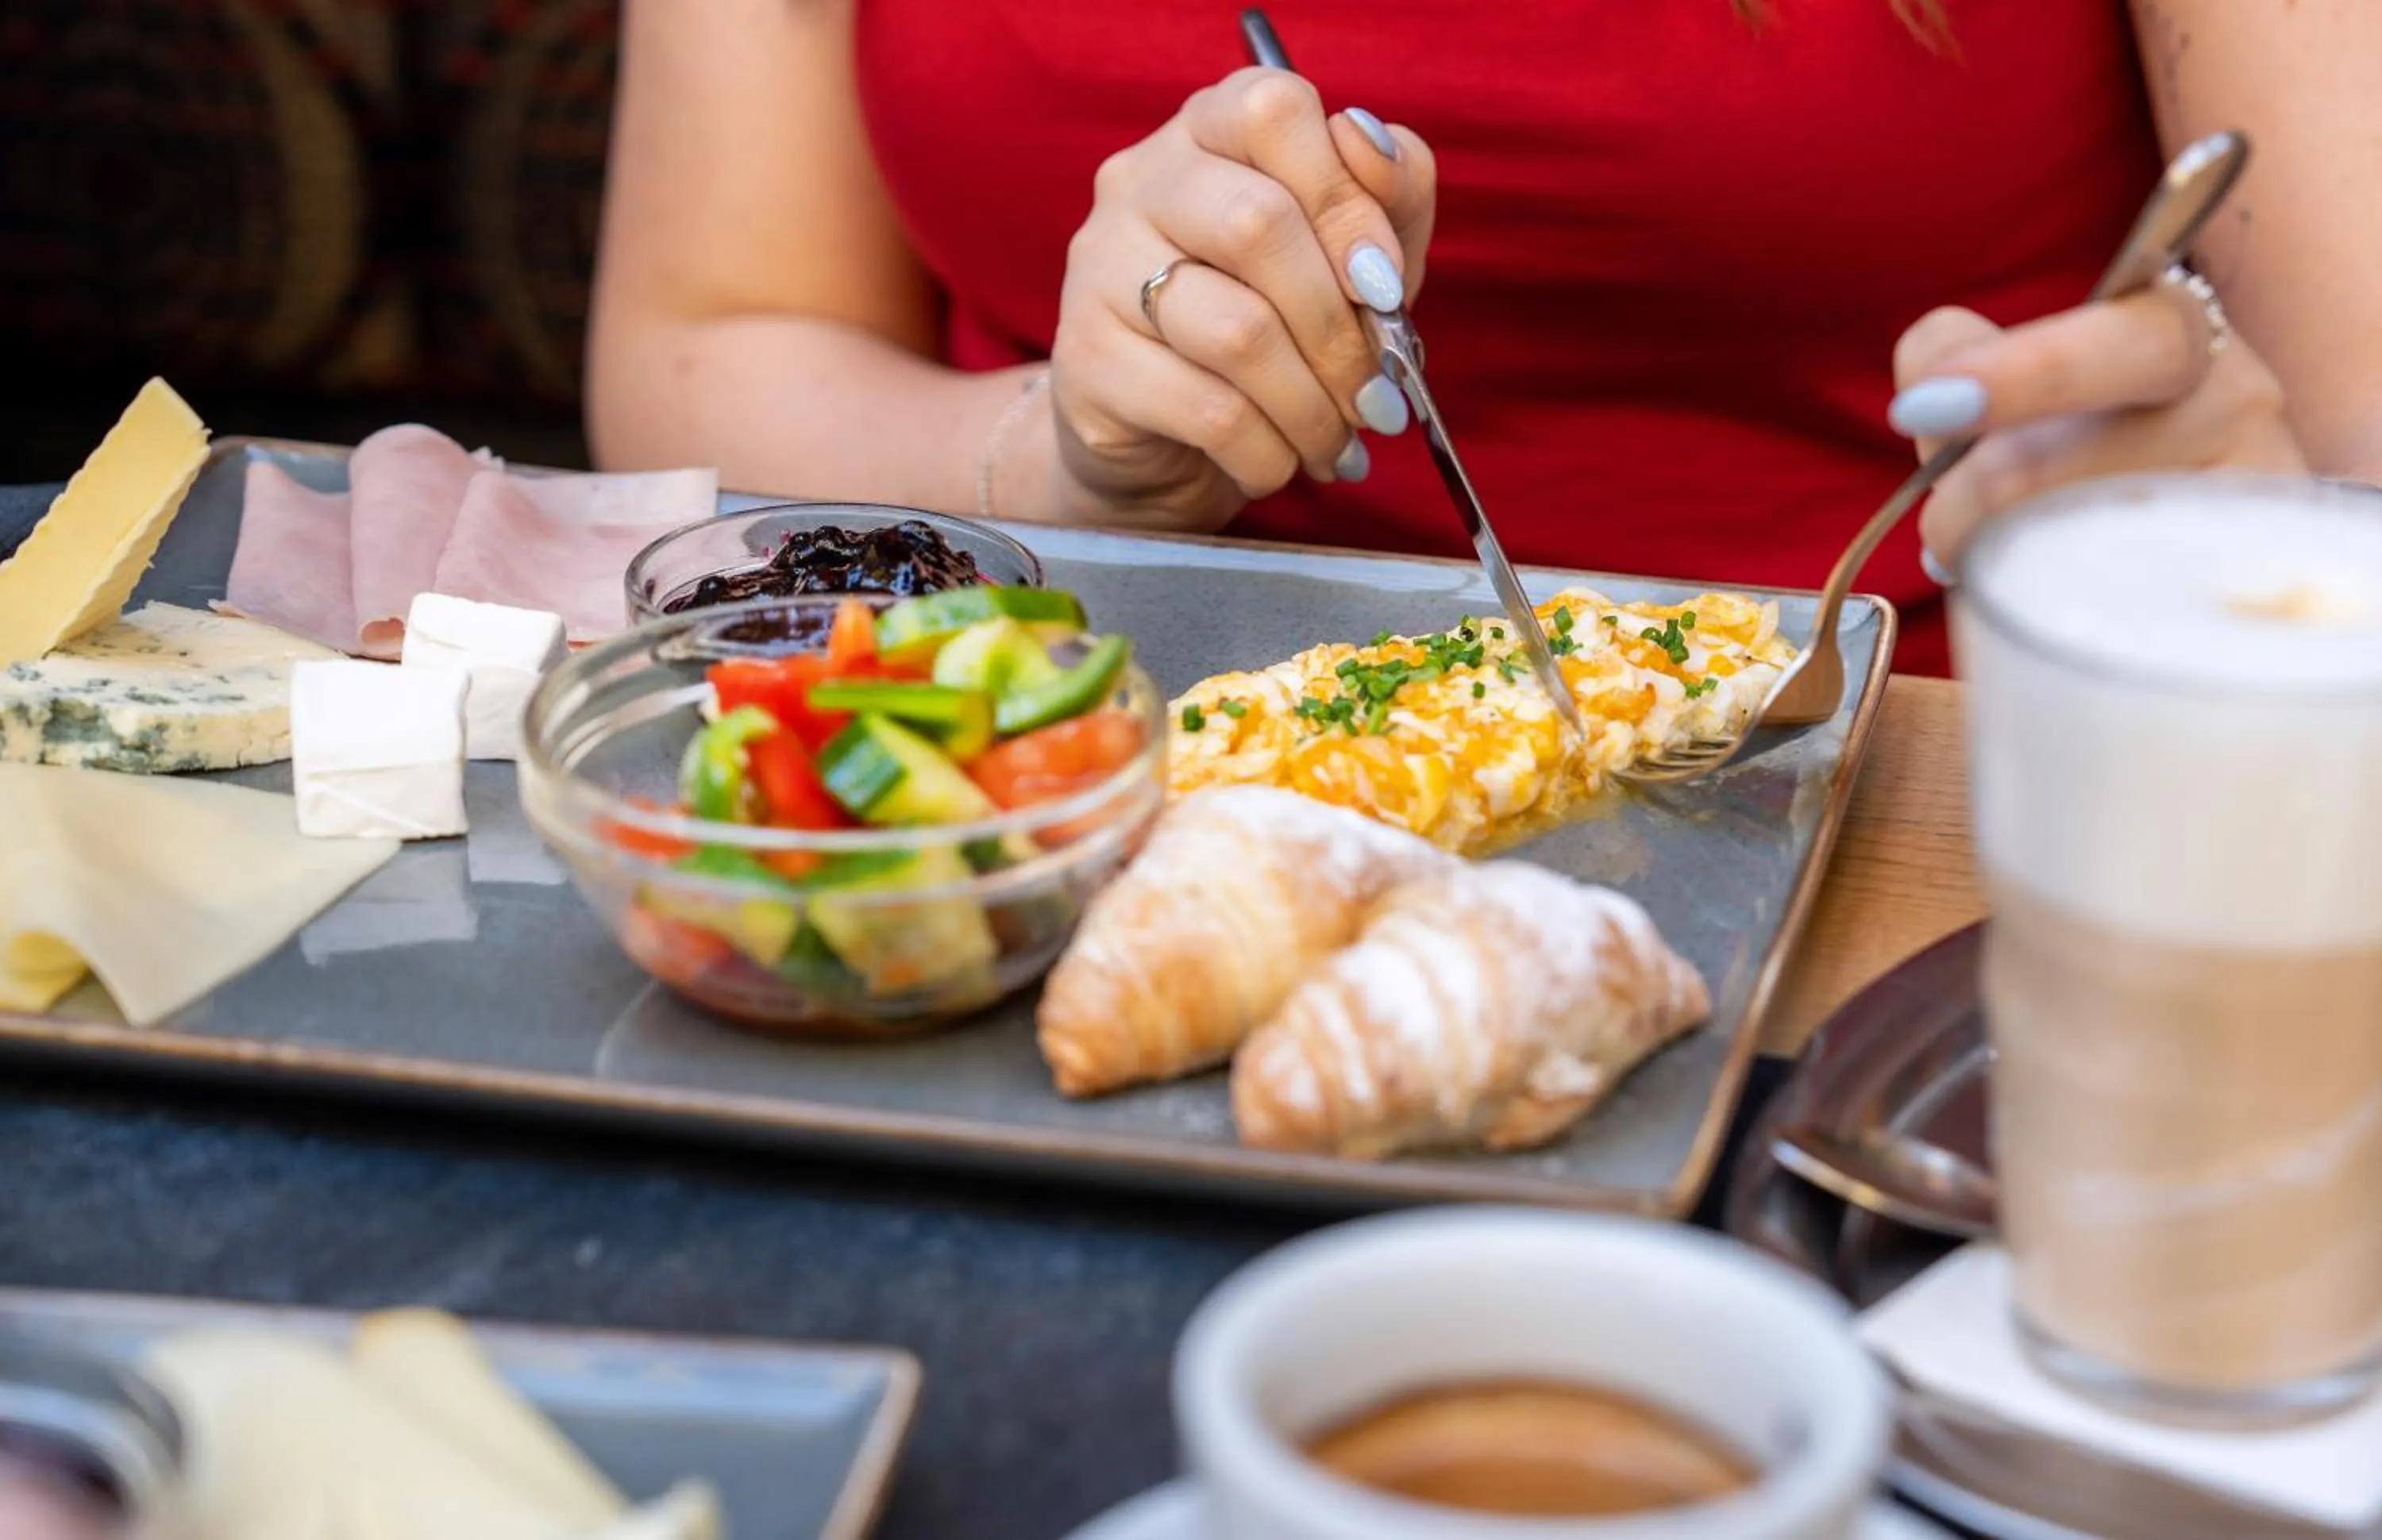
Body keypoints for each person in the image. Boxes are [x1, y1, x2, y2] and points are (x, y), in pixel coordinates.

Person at [586, 1, 2361, 676]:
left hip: (1927, 883)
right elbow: (709, 346)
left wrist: (2241, 534)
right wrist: (1056, 461)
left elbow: (2352, 444)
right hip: (1049, 809)